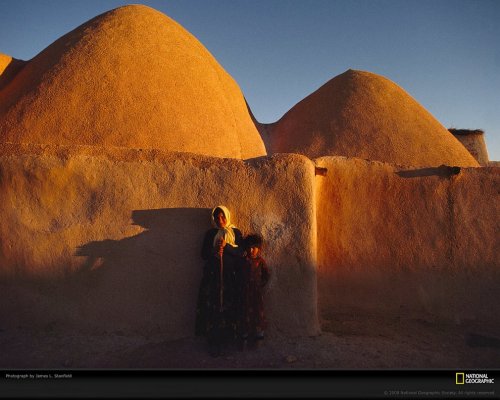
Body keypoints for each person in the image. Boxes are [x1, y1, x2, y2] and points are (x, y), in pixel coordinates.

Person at [195, 205, 244, 357]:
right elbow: (203, 254)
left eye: (222, 217)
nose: (220, 220)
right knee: (214, 307)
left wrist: (227, 246)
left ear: (227, 217)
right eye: (217, 217)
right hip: (213, 277)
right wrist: (215, 250)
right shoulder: (210, 234)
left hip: (230, 277)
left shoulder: (235, 232)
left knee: (229, 305)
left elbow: (240, 252)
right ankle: (214, 342)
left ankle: (228, 340)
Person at [239, 234, 270, 350]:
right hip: (244, 293)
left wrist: (260, 285)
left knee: (258, 314)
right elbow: (237, 275)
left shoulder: (260, 261)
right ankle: (244, 339)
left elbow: (266, 275)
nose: (251, 250)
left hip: (256, 294)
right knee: (244, 314)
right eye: (249, 247)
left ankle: (259, 339)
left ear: (259, 248)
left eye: (254, 247)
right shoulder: (242, 261)